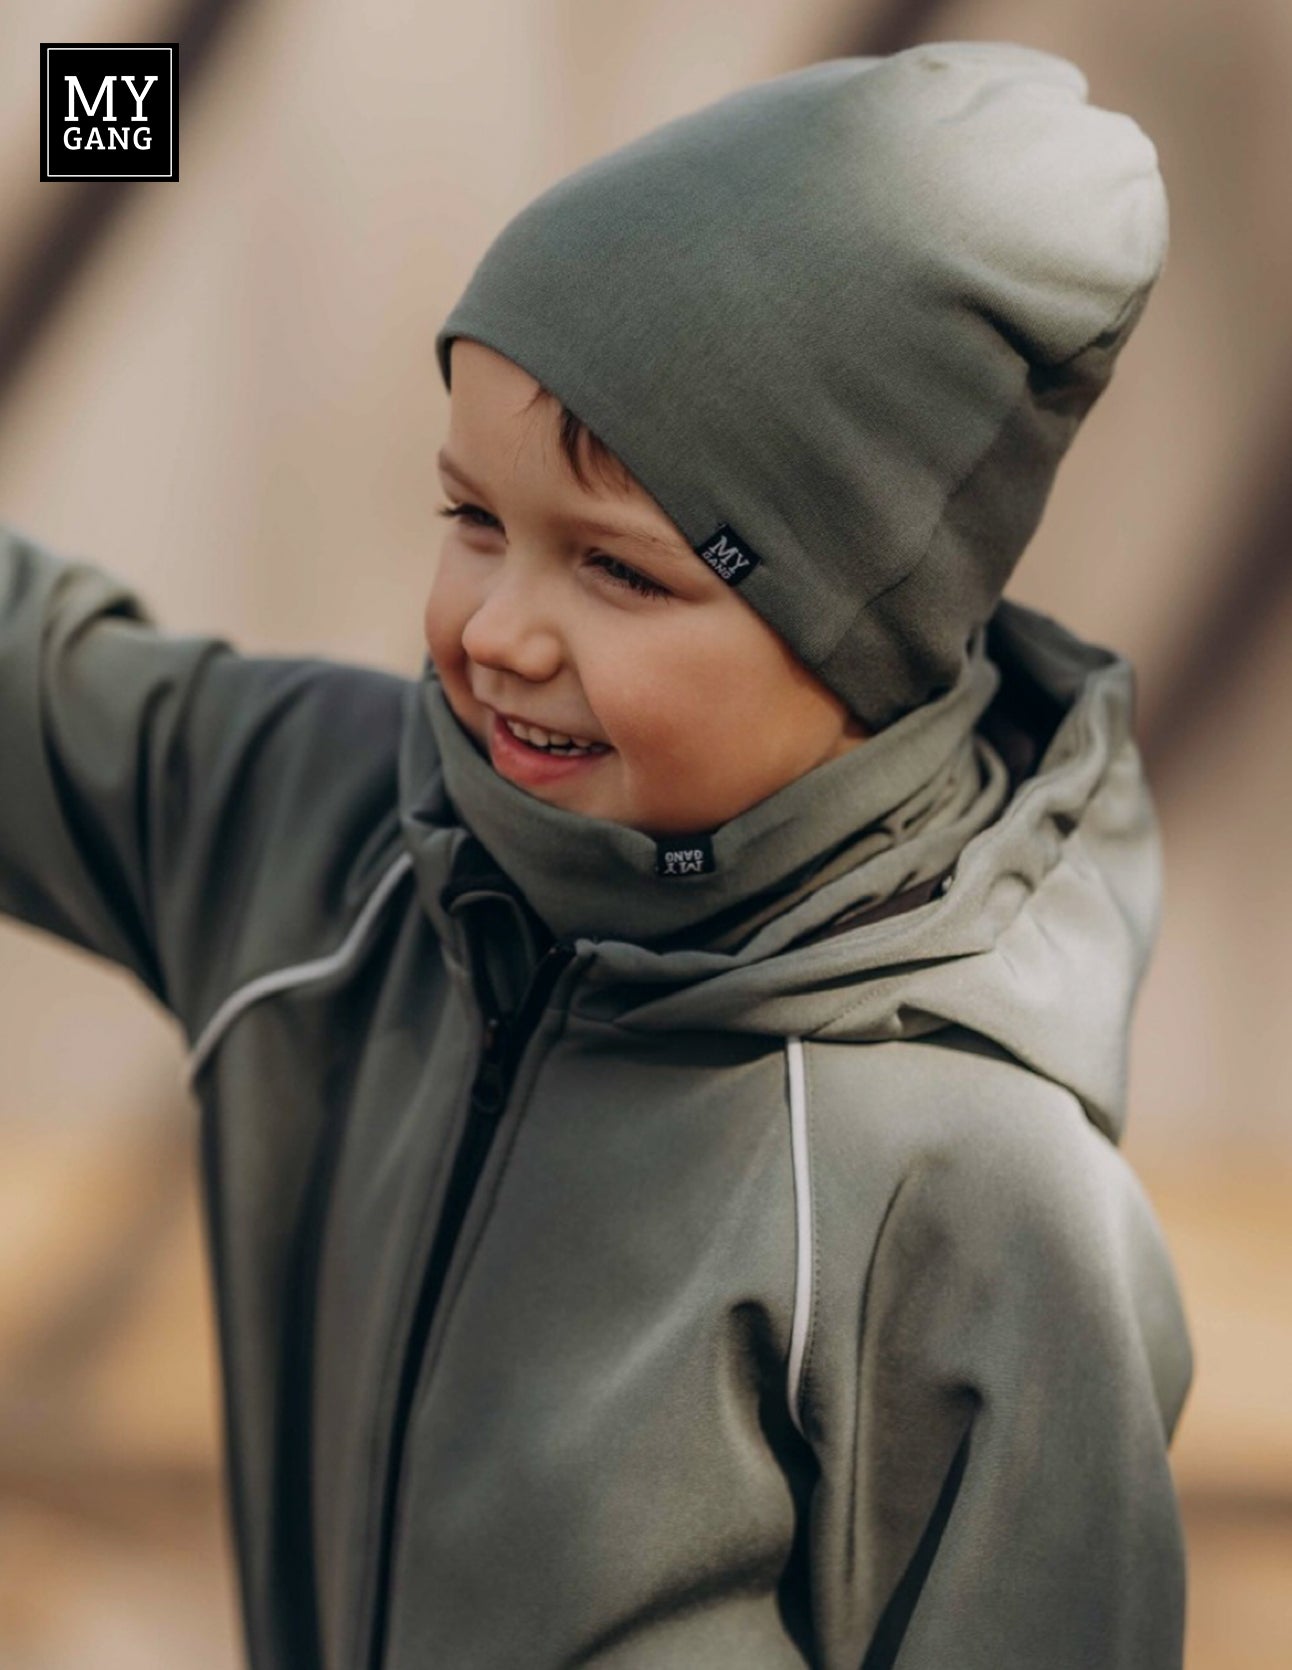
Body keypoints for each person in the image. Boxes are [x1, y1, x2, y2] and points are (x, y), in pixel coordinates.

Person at [0, 39, 1192, 1670]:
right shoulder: (334, 834)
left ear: (853, 637)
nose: (498, 630)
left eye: (620, 574)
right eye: (471, 518)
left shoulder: (977, 1196)